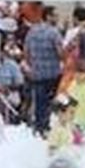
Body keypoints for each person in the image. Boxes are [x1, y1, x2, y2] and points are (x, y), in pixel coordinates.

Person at [23, 7, 65, 135]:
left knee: (39, 99)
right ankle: (46, 125)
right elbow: (60, 53)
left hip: (36, 72)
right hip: (52, 72)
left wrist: (32, 64)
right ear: (48, 16)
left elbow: (26, 51)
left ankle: (38, 125)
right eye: (55, 16)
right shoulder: (54, 32)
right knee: (50, 100)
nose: (57, 18)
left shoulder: (32, 31)